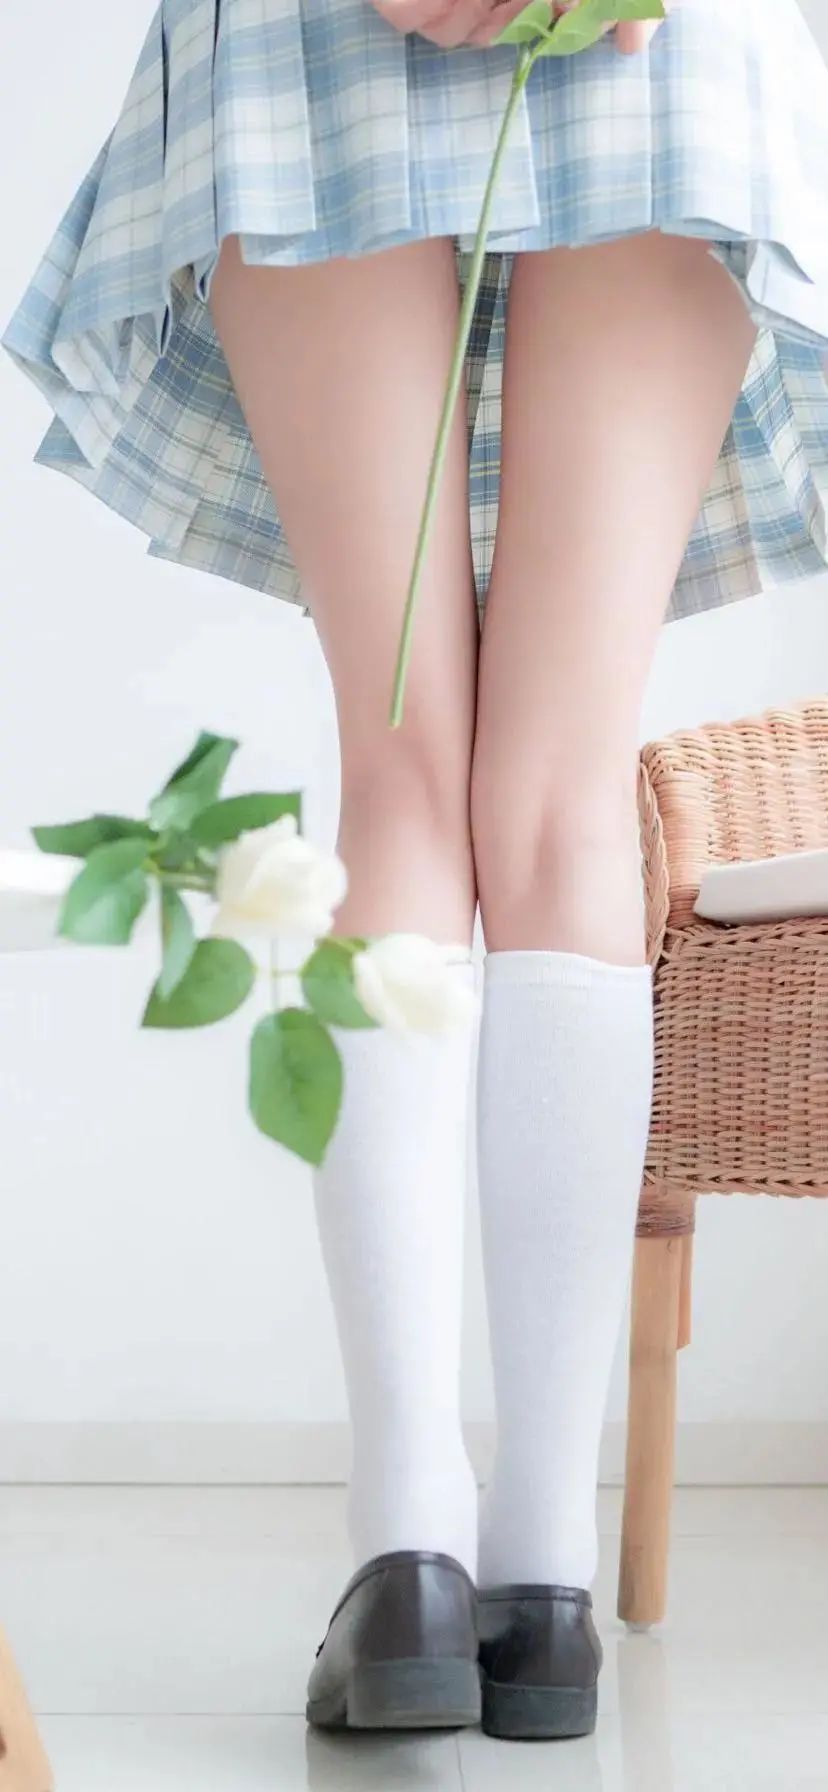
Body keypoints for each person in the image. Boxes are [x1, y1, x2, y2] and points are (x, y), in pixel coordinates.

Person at [3, 0, 828, 1746]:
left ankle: (408, 1562)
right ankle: (545, 1583)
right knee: (561, 801)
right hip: (658, 47)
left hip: (314, 39)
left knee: (403, 776)